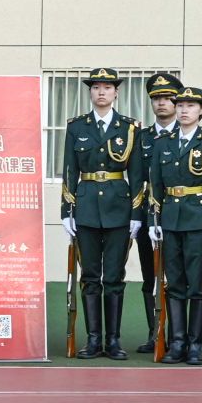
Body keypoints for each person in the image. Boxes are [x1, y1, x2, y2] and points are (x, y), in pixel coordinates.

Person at [60, 68, 146, 360]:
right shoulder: (77, 126)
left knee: (114, 276)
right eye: (96, 87)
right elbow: (69, 169)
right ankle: (93, 339)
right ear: (90, 92)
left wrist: (136, 213)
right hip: (85, 207)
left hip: (118, 207)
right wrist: (67, 209)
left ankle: (113, 340)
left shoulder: (129, 127)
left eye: (107, 88)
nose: (101, 92)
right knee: (90, 276)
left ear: (116, 93)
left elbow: (137, 174)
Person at [147, 87, 202, 365]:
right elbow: (155, 184)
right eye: (180, 105)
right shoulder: (162, 143)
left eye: (191, 106)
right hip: (170, 219)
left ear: (201, 110)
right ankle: (177, 342)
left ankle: (195, 344)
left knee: (198, 284)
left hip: (197, 220)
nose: (183, 110)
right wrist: (153, 220)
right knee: (174, 282)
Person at [134, 72, 184, 354]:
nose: (162, 103)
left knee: (180, 277)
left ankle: (180, 336)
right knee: (151, 275)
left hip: (182, 213)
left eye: (167, 98)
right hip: (148, 215)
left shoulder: (188, 134)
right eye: (156, 98)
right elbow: (136, 179)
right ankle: (156, 333)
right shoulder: (141, 137)